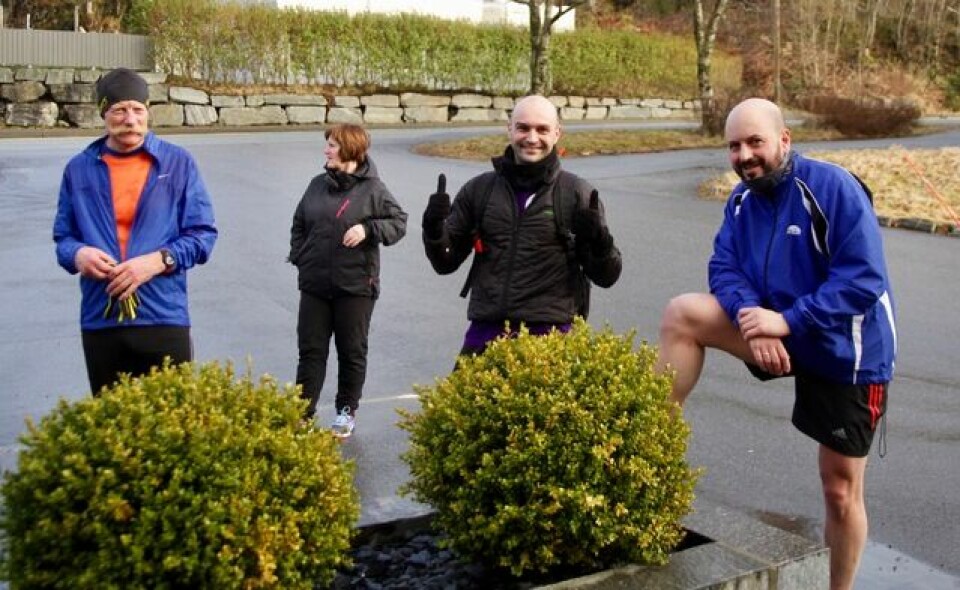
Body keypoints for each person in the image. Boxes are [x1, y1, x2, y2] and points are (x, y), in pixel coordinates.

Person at [656, 98, 896, 590]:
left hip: (843, 351)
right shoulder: (742, 201)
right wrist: (753, 323)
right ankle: (648, 450)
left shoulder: (831, 188)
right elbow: (724, 267)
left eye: (755, 142)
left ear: (784, 140)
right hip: (772, 329)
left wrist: (785, 322)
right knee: (684, 313)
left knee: (840, 490)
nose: (744, 155)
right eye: (734, 146)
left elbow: (863, 280)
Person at [53, 68, 218, 395]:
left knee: (172, 427)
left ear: (147, 114)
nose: (130, 119)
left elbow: (202, 235)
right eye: (120, 110)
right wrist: (78, 254)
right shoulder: (78, 169)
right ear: (104, 113)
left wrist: (159, 261)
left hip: (163, 316)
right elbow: (64, 239)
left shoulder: (177, 163)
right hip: (102, 319)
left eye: (138, 110)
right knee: (111, 427)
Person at [422, 94, 622, 357]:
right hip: (486, 333)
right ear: (509, 129)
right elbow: (445, 262)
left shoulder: (576, 193)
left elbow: (607, 276)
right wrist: (434, 228)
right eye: (523, 128)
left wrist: (599, 240)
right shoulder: (479, 190)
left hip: (553, 338)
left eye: (542, 129)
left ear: (557, 133)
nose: (532, 138)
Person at [289, 124, 407, 438]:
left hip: (355, 287)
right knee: (311, 351)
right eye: (327, 144)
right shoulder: (316, 185)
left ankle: (346, 412)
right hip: (314, 285)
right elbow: (299, 223)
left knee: (351, 351)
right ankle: (303, 412)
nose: (326, 150)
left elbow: (398, 222)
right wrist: (300, 256)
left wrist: (368, 229)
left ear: (349, 149)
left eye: (331, 145)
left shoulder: (374, 190)